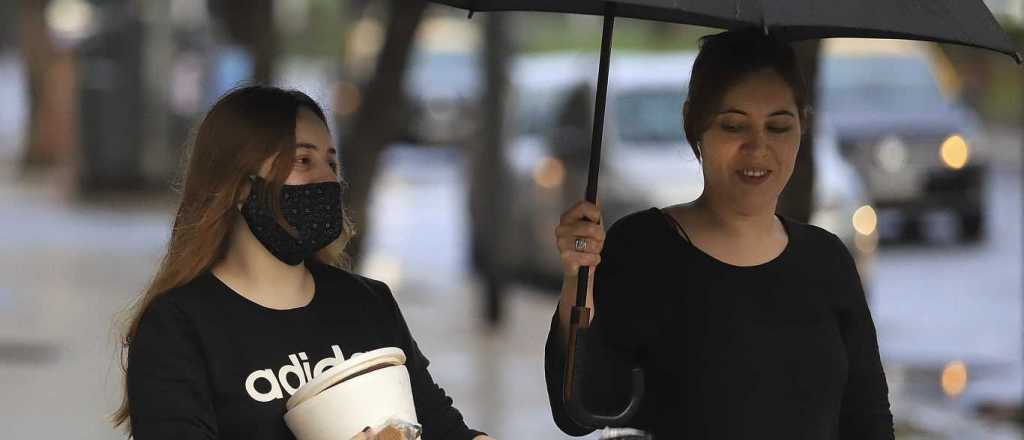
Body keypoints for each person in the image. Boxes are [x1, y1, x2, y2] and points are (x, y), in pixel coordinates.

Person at [545, 29, 894, 439]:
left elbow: (869, 421)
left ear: (803, 128)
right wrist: (577, 281)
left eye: (779, 127)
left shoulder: (827, 260)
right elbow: (583, 410)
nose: (758, 148)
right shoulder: (642, 248)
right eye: (733, 126)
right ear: (695, 126)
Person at [111, 85, 492, 440]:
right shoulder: (176, 326)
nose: (326, 179)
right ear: (239, 185)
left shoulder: (368, 303)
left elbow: (444, 427)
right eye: (303, 160)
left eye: (331, 163)